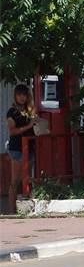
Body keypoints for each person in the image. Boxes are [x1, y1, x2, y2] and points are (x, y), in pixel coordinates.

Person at [7, 84, 37, 213]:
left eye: (24, 95)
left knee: (27, 178)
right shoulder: (12, 112)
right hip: (17, 149)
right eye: (19, 95)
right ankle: (12, 211)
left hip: (30, 148)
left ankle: (27, 208)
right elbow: (12, 131)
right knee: (16, 180)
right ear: (15, 96)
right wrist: (28, 126)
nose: (22, 97)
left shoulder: (30, 111)